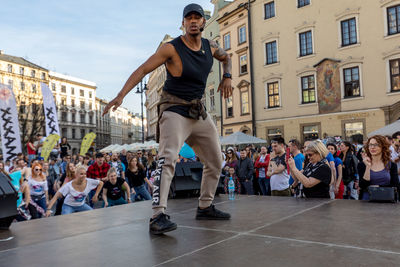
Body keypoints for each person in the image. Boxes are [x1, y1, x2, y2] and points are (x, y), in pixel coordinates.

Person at [102, 3, 232, 234]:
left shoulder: (210, 46)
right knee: (167, 159)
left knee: (215, 161)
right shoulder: (170, 49)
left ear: (203, 22)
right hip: (174, 110)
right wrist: (121, 95)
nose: (193, 21)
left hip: (198, 112)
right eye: (188, 18)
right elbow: (142, 70)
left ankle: (205, 206)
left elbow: (227, 57)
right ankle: (157, 215)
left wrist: (228, 77)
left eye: (197, 18)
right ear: (183, 23)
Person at [358, 135, 399, 201]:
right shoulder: (362, 164)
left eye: (376, 145)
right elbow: (362, 186)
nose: (372, 147)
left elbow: (395, 185)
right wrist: (368, 167)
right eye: (370, 145)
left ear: (383, 147)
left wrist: (377, 187)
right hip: (367, 201)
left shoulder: (391, 165)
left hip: (387, 200)